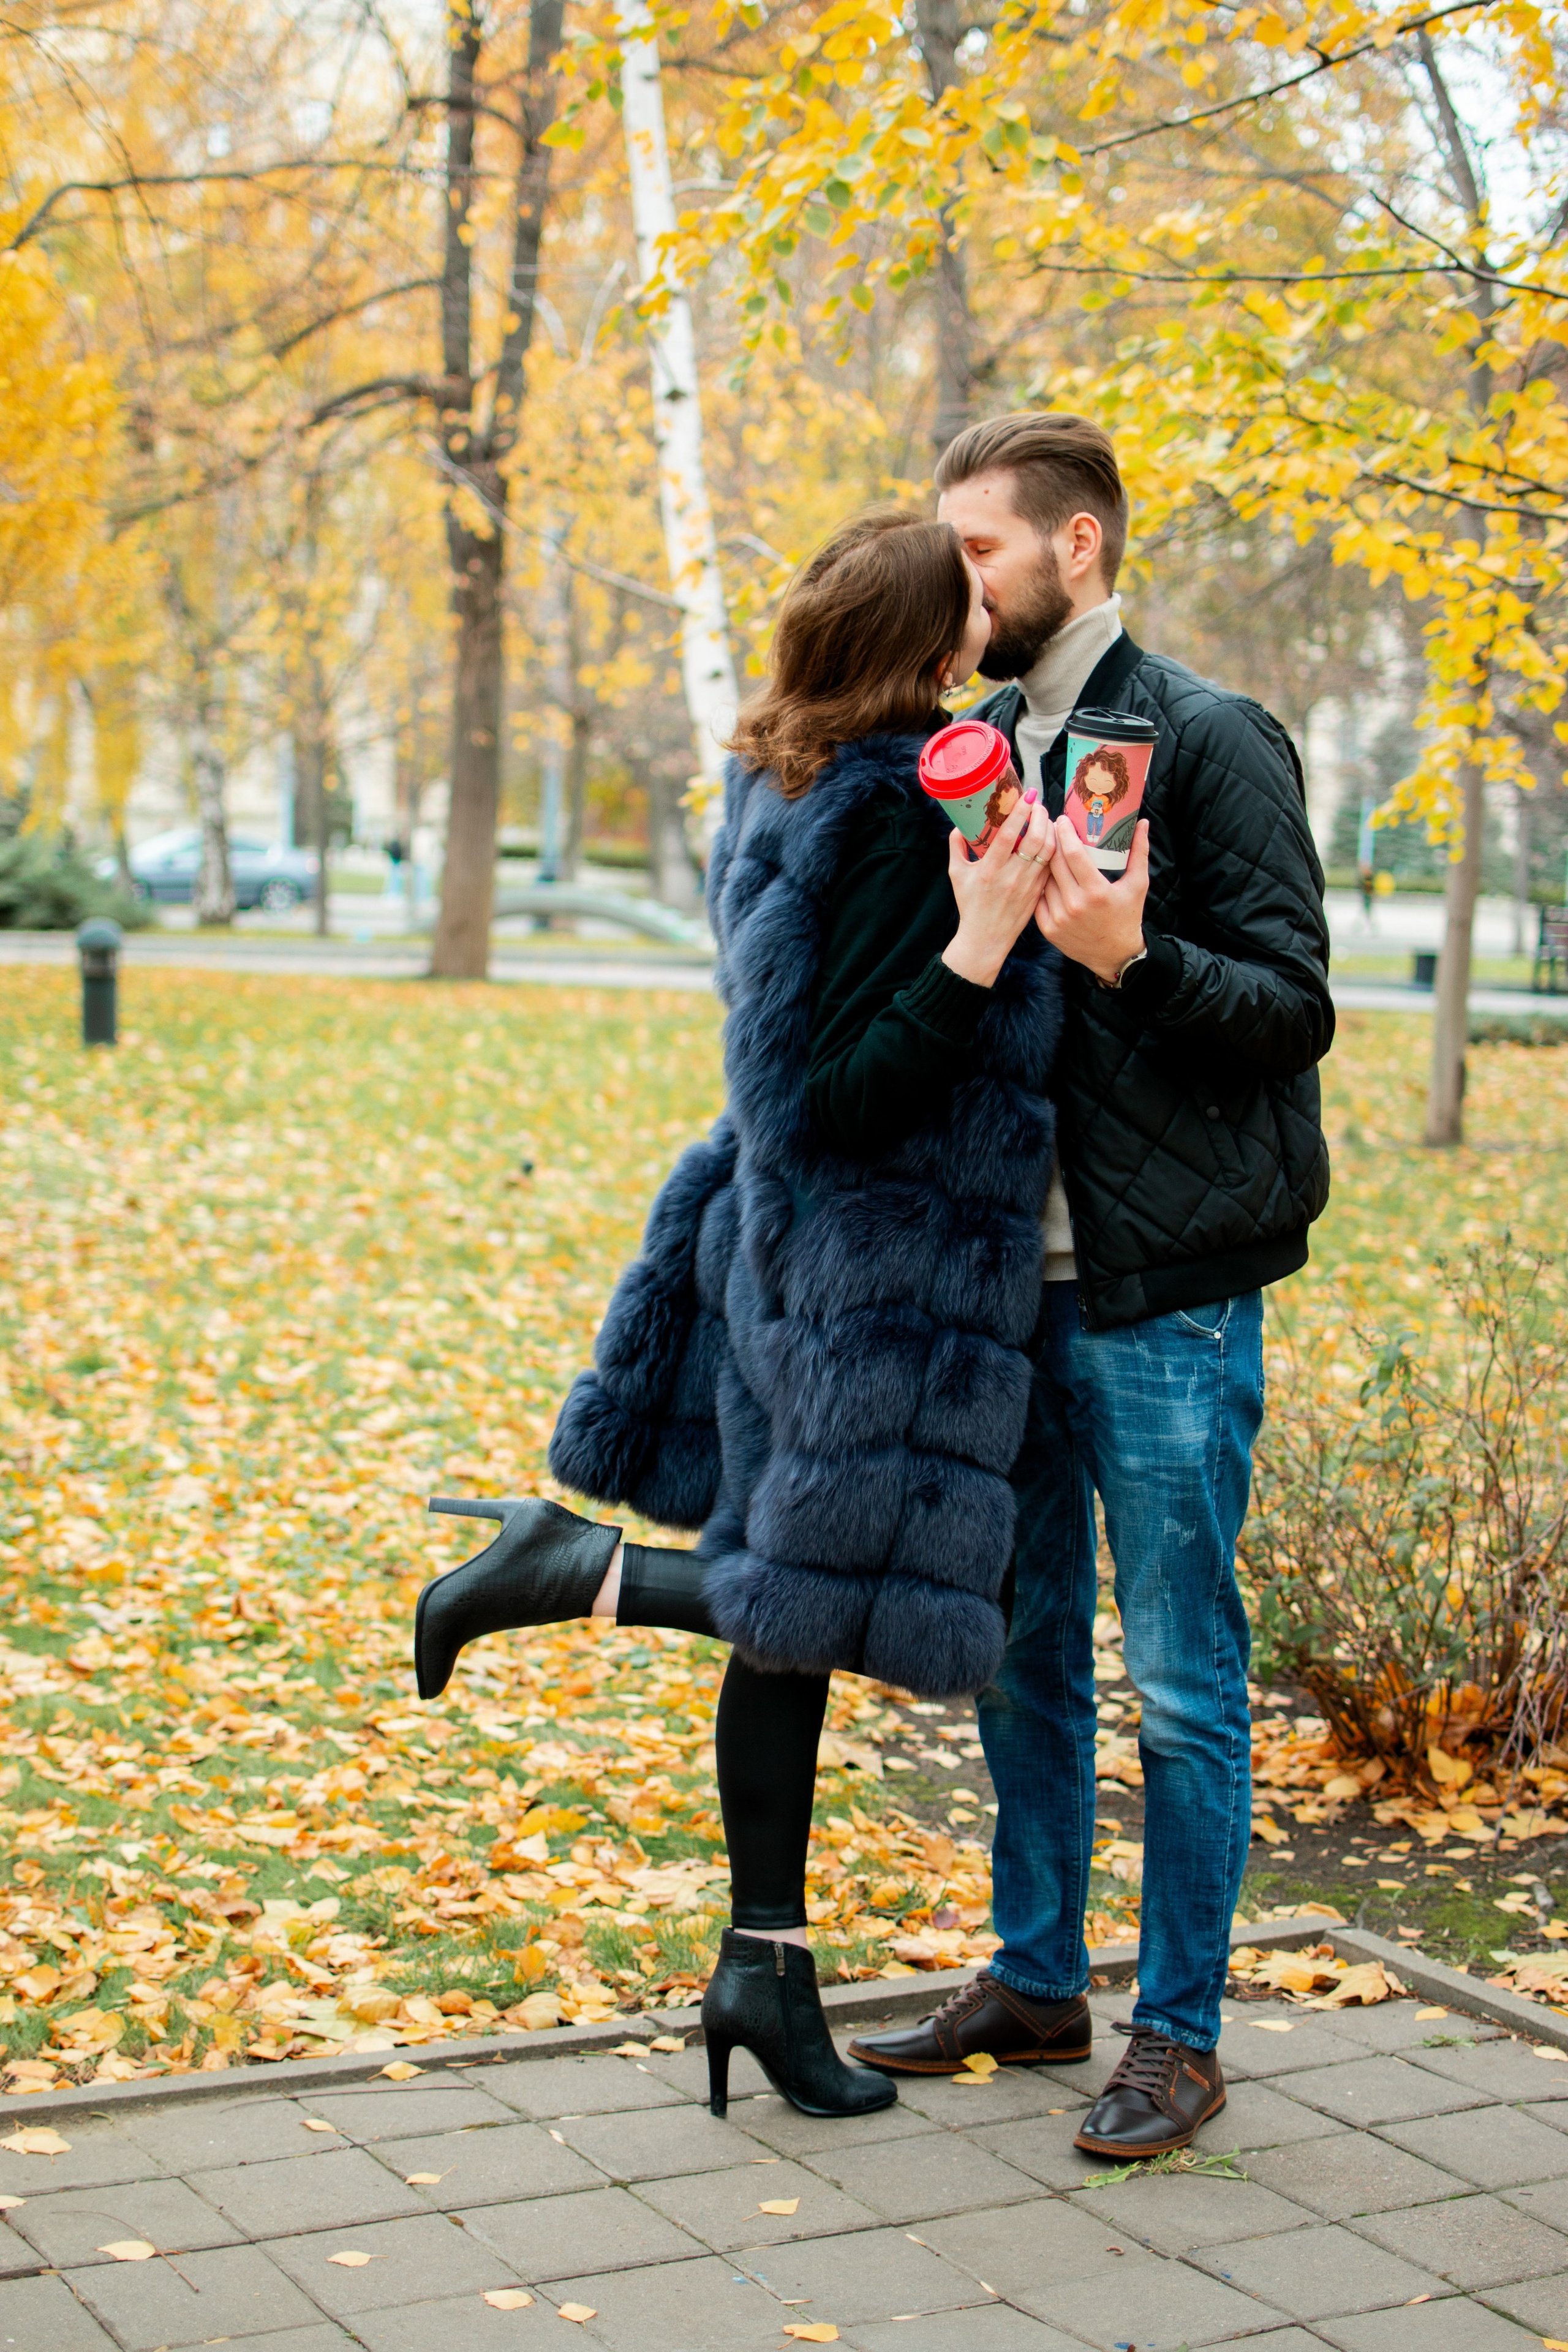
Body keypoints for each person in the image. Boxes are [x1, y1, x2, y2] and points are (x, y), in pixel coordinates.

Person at [412, 510, 1069, 2122]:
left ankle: (763, 1976)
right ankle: (570, 1566)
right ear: (926, 643)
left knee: (793, 1645)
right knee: (831, 1604)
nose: (990, 618)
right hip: (874, 1284)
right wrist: (979, 947)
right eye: (968, 602)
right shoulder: (873, 816)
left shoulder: (792, 770)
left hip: (815, 1264)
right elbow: (826, 1094)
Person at [846, 413, 1333, 2162]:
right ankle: (1040, 1978)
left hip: (1163, 1288)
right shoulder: (961, 746)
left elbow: (1292, 1007)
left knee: (1186, 1674)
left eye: (980, 547)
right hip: (1004, 1286)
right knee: (1027, 1644)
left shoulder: (1206, 737)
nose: (951, 574)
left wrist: (1133, 960)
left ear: (1081, 550)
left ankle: (1181, 2036)